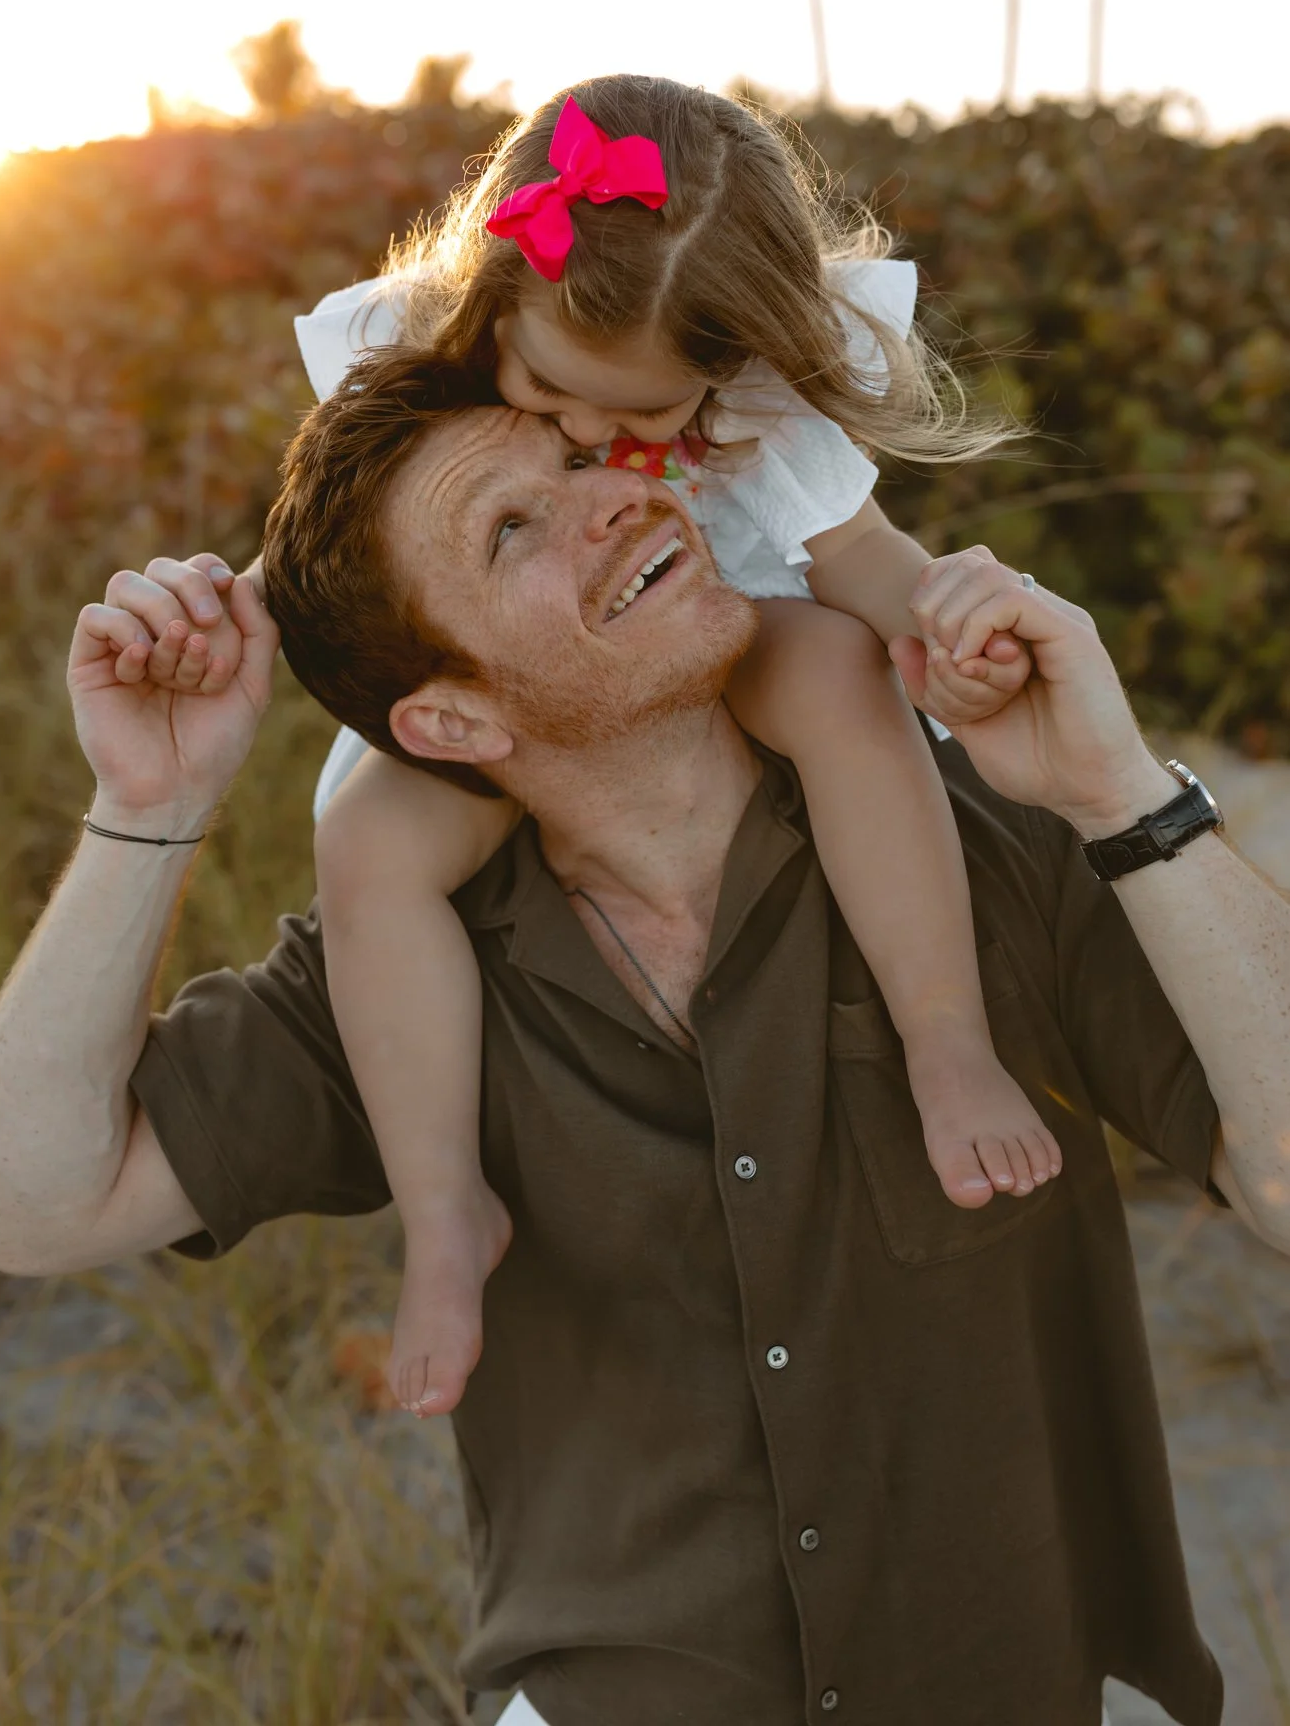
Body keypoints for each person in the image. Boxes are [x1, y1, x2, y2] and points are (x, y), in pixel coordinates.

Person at [0, 377, 1290, 1726]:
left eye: (585, 459)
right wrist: (150, 804)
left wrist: (1124, 796)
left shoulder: (984, 846)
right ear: (453, 723)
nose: (619, 499)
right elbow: (20, 1205)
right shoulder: (402, 980)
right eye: (513, 531)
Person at [168, 74, 1059, 1419]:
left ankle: (945, 1041)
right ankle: (445, 1208)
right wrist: (219, 621)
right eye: (547, 391)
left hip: (717, 621)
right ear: (496, 296)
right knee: (367, 842)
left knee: (839, 678)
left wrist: (949, 628)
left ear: (727, 364)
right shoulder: (420, 344)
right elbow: (338, 541)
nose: (591, 436)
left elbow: (862, 562)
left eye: (645, 422)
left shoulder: (760, 395)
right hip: (529, 675)